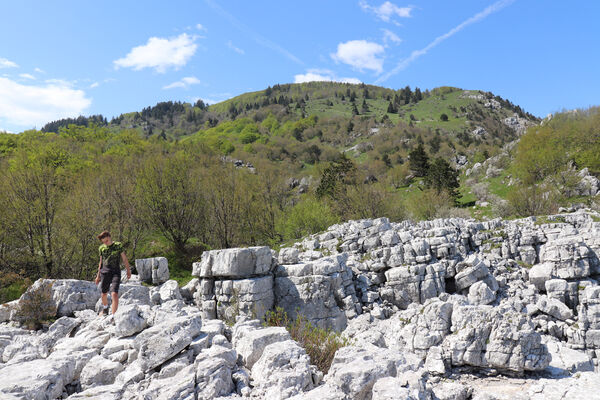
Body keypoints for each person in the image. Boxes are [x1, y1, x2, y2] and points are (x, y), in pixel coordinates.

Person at [95, 231, 131, 316]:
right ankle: (105, 308)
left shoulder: (118, 245)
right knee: (104, 294)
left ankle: (113, 316)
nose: (105, 243)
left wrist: (128, 270)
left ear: (109, 237)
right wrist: (98, 276)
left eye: (106, 240)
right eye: (103, 241)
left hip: (116, 272)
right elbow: (100, 262)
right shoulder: (101, 248)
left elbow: (124, 259)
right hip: (105, 272)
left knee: (114, 293)